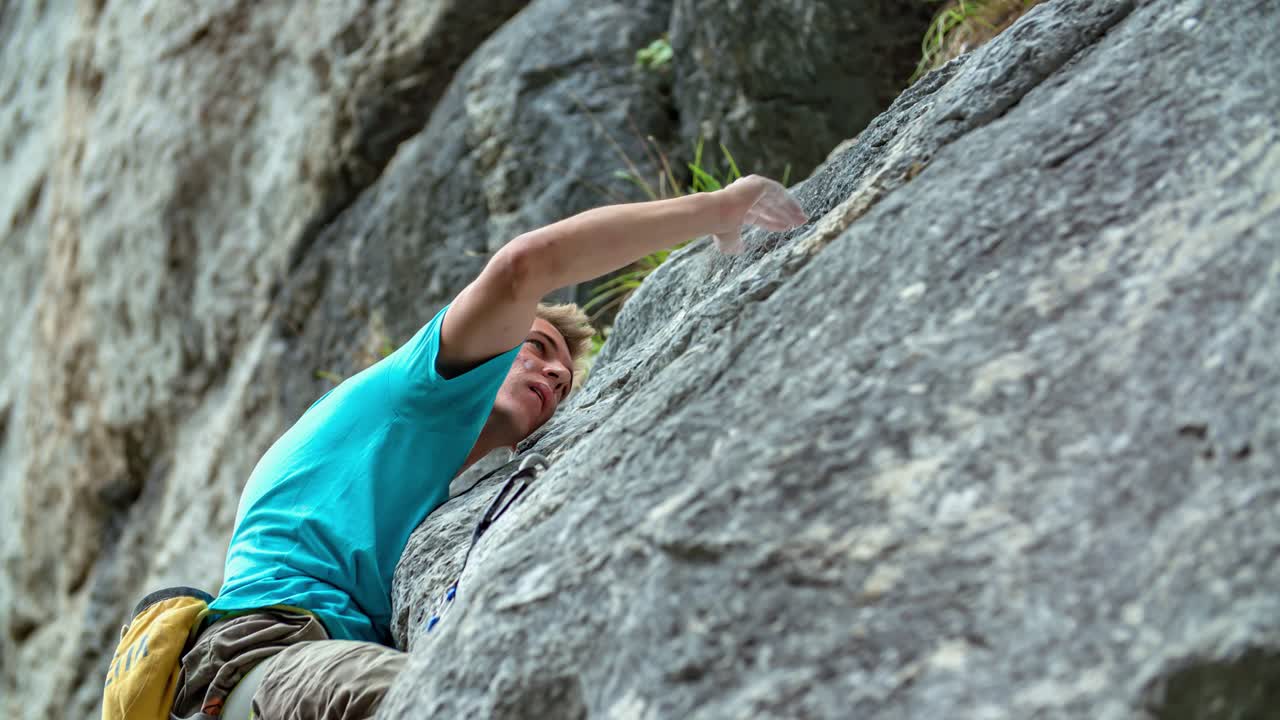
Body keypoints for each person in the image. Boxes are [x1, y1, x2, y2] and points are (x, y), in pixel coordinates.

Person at [168, 175, 808, 719]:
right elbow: (522, 267)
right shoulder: (415, 383)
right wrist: (716, 209)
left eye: (562, 379)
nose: (555, 376)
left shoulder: (423, 476)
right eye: (535, 348)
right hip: (256, 660)